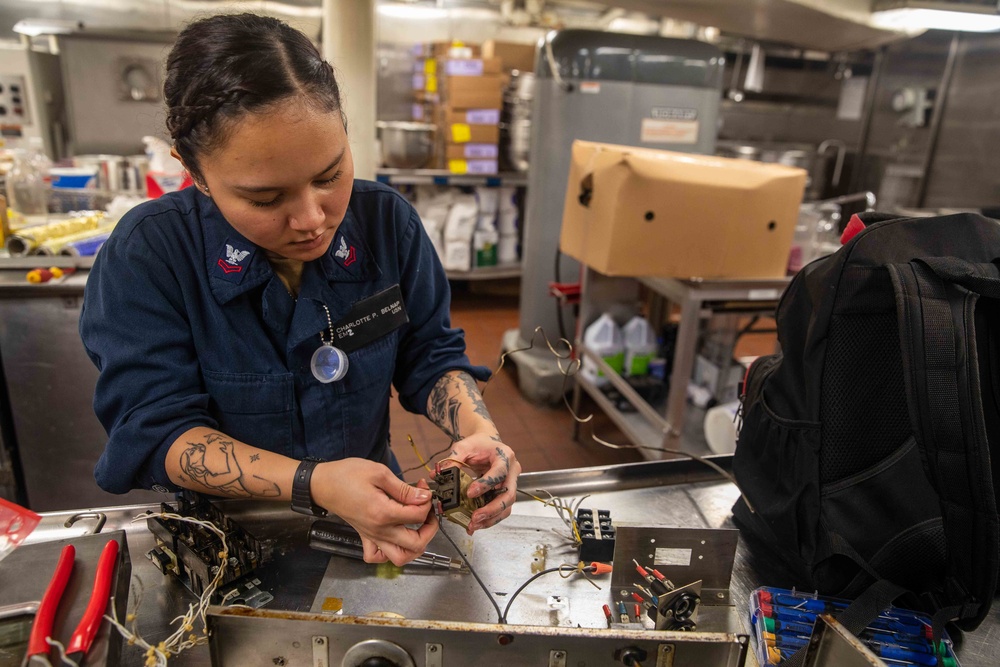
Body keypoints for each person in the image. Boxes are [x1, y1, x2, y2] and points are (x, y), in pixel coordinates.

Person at [79, 13, 520, 566]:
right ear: (192, 170)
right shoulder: (150, 254)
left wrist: (479, 432)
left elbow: (429, 356)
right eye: (266, 200)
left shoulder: (387, 224)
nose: (313, 219)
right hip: (230, 539)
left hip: (373, 519)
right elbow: (153, 429)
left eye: (330, 175)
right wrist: (313, 482)